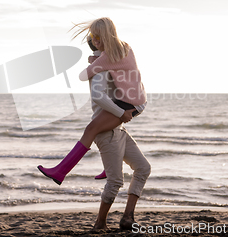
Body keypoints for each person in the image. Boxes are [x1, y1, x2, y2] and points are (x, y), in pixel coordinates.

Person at [37, 18, 150, 230]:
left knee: (140, 167)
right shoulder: (126, 49)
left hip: (122, 116)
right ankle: (101, 221)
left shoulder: (103, 64)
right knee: (121, 173)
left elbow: (85, 79)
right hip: (132, 107)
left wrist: (94, 62)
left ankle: (125, 216)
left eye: (96, 37)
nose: (94, 40)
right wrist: (97, 58)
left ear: (104, 38)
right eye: (92, 38)